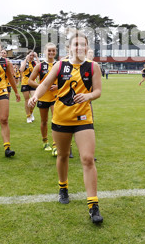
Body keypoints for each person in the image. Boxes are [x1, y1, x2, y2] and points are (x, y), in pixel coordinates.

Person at [29, 30, 104, 224]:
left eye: (82, 44)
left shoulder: (93, 66)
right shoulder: (61, 65)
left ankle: (93, 204)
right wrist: (35, 95)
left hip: (83, 119)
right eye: (75, 44)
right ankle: (63, 187)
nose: (79, 47)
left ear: (87, 47)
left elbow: (97, 91)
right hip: (61, 119)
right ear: (69, 47)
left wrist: (88, 96)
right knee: (62, 156)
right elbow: (45, 84)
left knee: (87, 159)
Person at [27, 43, 59, 153]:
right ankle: (45, 142)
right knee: (44, 121)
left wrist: (57, 86)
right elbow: (30, 81)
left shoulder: (60, 65)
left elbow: (66, 80)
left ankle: (55, 145)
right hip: (43, 98)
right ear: (45, 51)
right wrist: (41, 87)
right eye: (49, 50)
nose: (51, 53)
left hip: (56, 97)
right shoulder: (40, 66)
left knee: (56, 120)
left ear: (56, 52)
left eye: (53, 50)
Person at [20, 50, 38, 123]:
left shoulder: (34, 63)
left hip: (33, 82)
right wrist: (26, 59)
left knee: (34, 99)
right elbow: (21, 69)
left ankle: (31, 112)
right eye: (30, 55)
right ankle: (28, 116)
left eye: (33, 55)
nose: (31, 57)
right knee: (27, 100)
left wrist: (37, 57)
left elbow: (40, 67)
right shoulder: (24, 62)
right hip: (25, 83)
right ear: (27, 55)